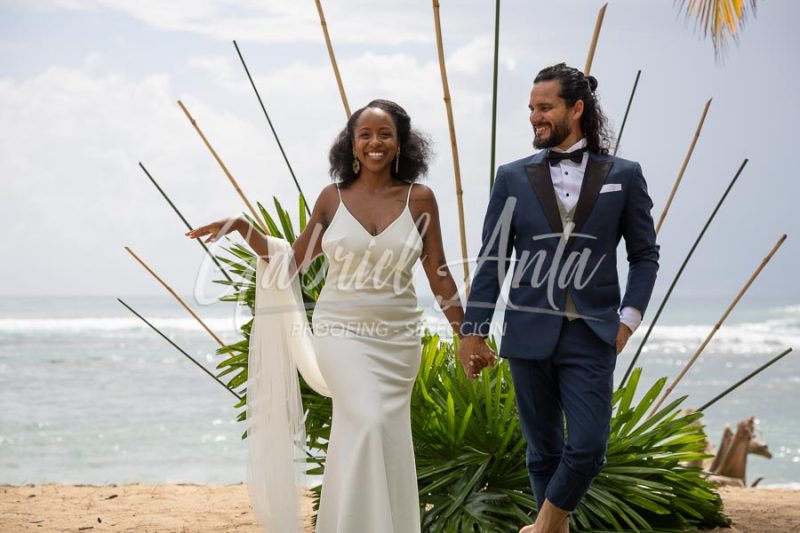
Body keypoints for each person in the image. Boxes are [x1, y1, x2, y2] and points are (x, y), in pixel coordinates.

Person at [187, 99, 466, 532]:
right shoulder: (332, 199)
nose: (375, 142)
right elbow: (288, 265)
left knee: (382, 436)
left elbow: (439, 273)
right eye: (365, 135)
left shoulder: (420, 199)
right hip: (341, 335)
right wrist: (243, 229)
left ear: (400, 143)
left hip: (397, 341)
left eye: (385, 134)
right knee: (369, 422)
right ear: (352, 145)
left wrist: (468, 335)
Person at [458, 63, 660, 533]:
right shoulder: (511, 176)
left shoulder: (624, 175)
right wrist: (474, 331)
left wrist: (626, 322)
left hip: (593, 332)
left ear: (576, 108)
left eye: (544, 107)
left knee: (589, 446)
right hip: (528, 330)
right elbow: (493, 261)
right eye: (531, 108)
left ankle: (545, 525)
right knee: (543, 450)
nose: (534, 116)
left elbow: (645, 255)